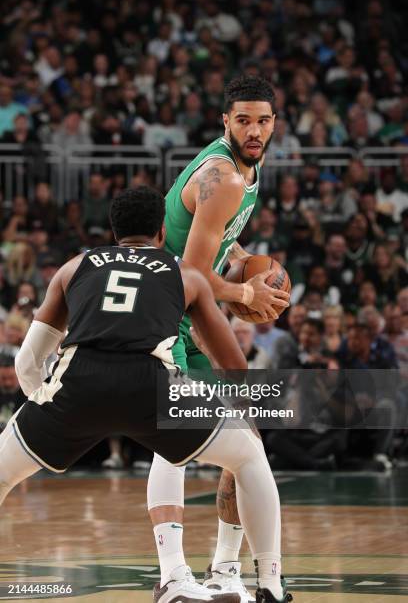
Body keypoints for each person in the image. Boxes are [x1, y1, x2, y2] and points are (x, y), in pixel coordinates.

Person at [0, 187, 292, 603]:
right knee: (247, 454)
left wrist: (50, 410)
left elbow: (28, 360)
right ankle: (269, 583)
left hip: (78, 385)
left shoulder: (74, 267)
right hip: (153, 387)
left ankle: (178, 576)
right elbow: (234, 363)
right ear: (161, 231)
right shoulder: (185, 273)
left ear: (113, 231)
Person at [149, 75, 290, 603]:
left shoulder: (248, 167)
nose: (254, 130)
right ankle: (173, 576)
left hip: (193, 311)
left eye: (263, 120)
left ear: (274, 123)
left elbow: (215, 240)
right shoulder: (222, 176)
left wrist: (237, 264)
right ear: (224, 121)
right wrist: (245, 293)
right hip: (169, 313)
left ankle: (225, 571)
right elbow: (189, 270)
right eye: (244, 120)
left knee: (247, 438)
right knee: (180, 436)